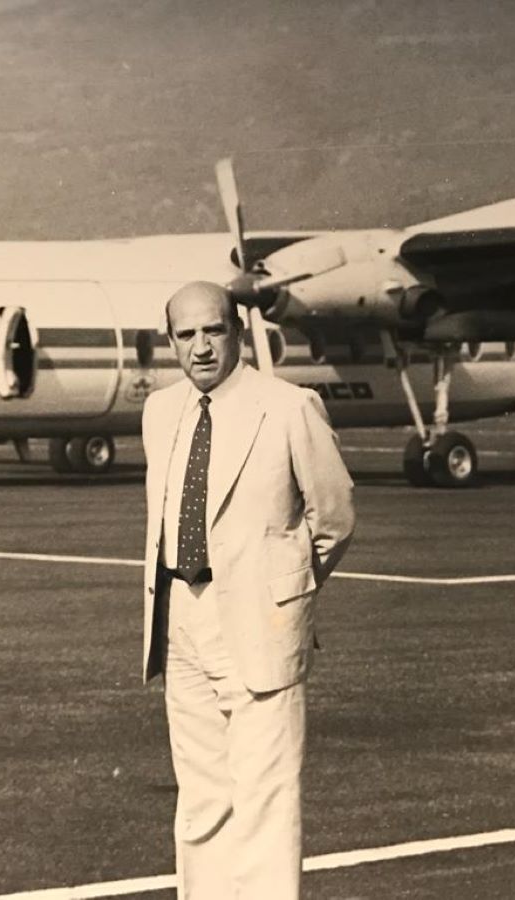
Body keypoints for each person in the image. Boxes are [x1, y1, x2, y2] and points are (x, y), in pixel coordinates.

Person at [140, 281, 355, 899]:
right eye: (187, 335)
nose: (201, 348)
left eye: (213, 331)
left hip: (262, 625)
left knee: (264, 800)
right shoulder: (160, 411)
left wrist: (283, 592)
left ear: (236, 331)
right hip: (182, 618)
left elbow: (335, 518)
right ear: (172, 342)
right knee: (202, 798)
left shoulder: (288, 406)